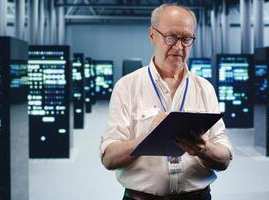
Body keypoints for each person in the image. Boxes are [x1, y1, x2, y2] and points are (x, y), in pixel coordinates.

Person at [100, 3, 234, 200]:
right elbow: (109, 158)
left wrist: (204, 149)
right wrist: (147, 137)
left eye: (186, 38)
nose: (179, 47)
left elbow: (224, 159)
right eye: (171, 37)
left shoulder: (204, 88)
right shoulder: (127, 87)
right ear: (152, 35)